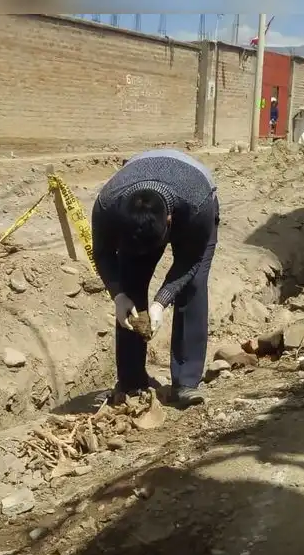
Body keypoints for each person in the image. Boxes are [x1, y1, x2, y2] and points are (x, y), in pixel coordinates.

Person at [91, 149, 219, 408]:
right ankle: (131, 382)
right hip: (145, 181)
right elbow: (102, 253)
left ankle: (185, 382)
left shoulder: (197, 206)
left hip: (193, 191)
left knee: (192, 287)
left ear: (169, 221)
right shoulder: (107, 206)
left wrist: (161, 300)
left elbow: (190, 261)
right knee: (130, 284)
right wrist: (118, 295)